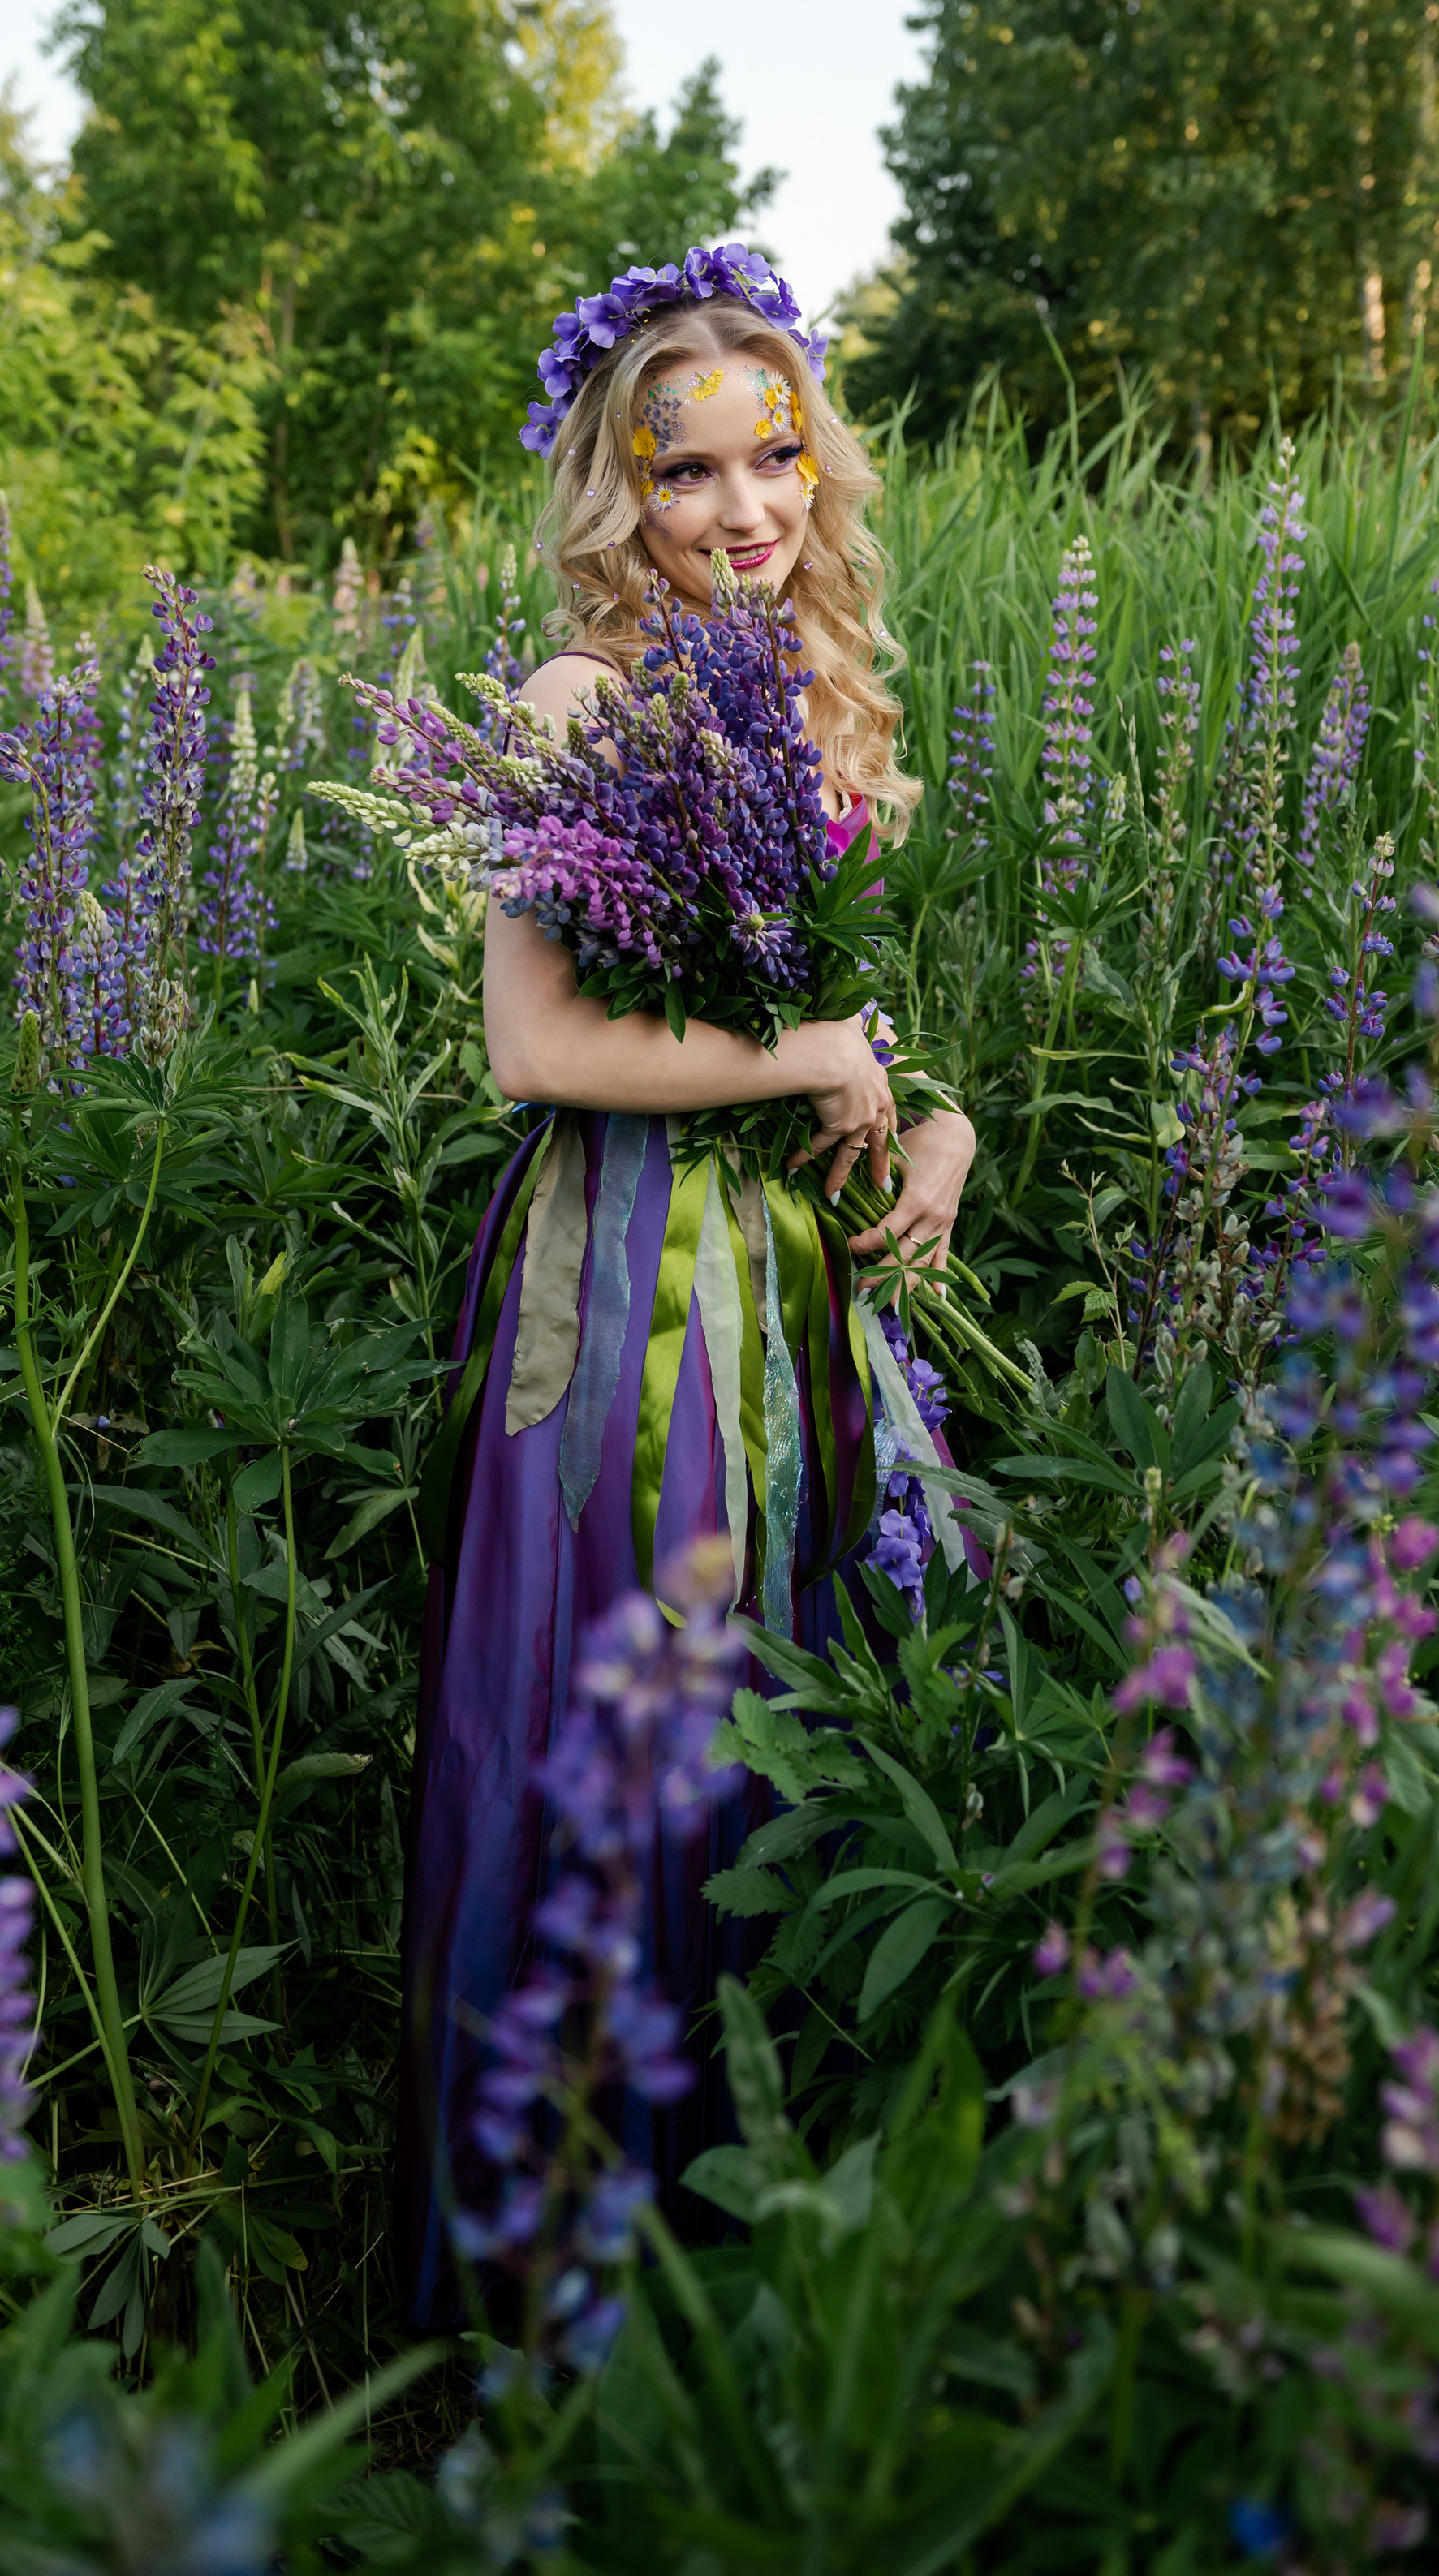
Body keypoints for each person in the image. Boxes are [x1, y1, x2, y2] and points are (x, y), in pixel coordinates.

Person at [397, 248, 976, 2326]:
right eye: (681, 473)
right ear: (611, 496)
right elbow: (534, 1049)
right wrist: (811, 1061)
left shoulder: (818, 687)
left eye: (773, 457)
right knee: (625, 1705)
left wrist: (929, 1125)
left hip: (791, 1266)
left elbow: (839, 1014)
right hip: (627, 1272)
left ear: (817, 463)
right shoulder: (569, 703)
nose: (741, 510)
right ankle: (570, 2278)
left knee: (807, 1702)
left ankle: (777, 2236)